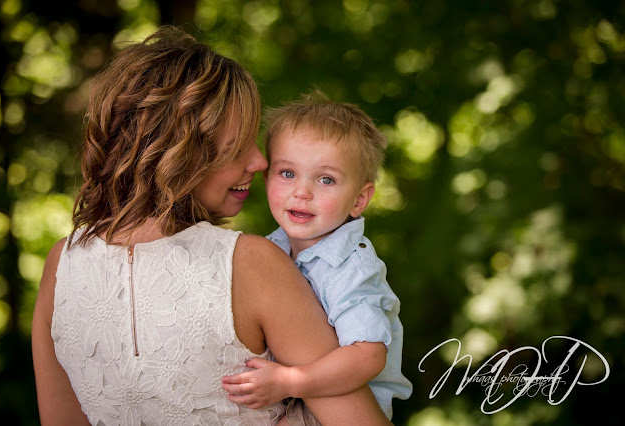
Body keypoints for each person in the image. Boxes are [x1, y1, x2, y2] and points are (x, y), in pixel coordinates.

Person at [31, 27, 391, 426]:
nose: (259, 163)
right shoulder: (253, 264)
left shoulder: (60, 266)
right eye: (238, 148)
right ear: (181, 151)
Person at [221, 91, 412, 422]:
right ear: (267, 180)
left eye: (326, 179)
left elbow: (368, 356)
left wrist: (290, 381)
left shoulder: (352, 266)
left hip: (341, 408)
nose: (302, 192)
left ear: (358, 199)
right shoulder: (271, 249)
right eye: (287, 173)